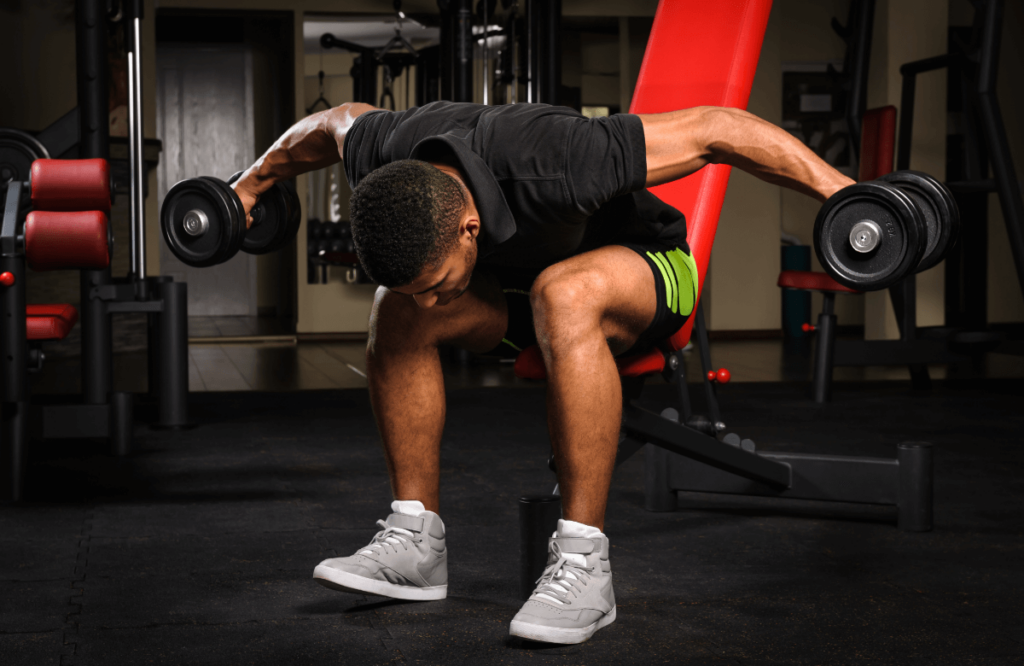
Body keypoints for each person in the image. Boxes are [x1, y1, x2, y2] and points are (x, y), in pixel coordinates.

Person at [231, 100, 854, 644]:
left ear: (470, 228)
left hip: (648, 273)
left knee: (565, 291)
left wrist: (845, 196)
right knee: (397, 307)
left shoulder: (558, 156)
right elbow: (332, 123)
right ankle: (416, 540)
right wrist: (251, 187)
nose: (431, 302)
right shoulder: (386, 152)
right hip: (520, 296)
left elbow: (717, 128)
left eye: (436, 284)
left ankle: (586, 565)